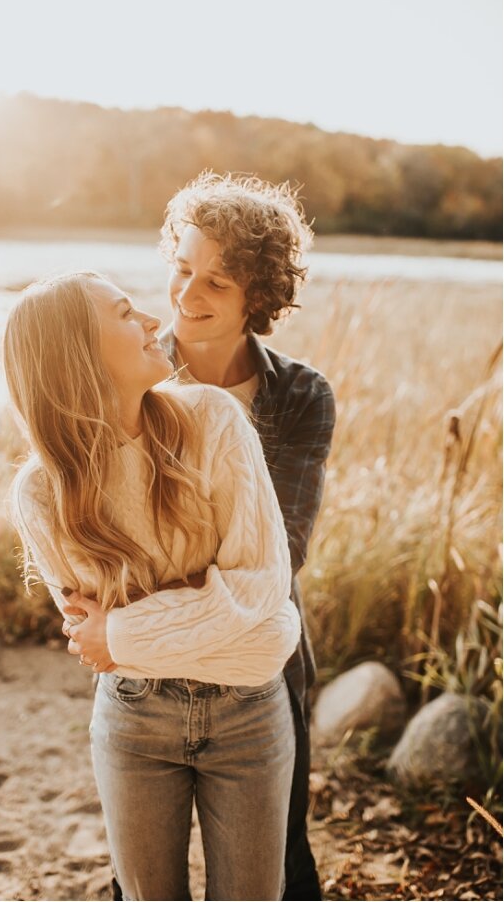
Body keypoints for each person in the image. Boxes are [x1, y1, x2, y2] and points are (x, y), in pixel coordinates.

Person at [4, 271, 302, 900]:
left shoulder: (215, 421)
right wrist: (204, 606)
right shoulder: (41, 492)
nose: (150, 321)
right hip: (134, 719)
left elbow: (265, 602)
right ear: (78, 352)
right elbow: (92, 639)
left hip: (250, 714)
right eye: (123, 313)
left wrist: (127, 628)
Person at [150, 171, 331, 900]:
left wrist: (165, 569)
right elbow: (105, 539)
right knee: (142, 873)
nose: (188, 296)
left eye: (217, 283)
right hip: (144, 666)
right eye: (183, 270)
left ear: (258, 298)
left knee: (282, 862)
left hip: (266, 666)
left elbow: (280, 556)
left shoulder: (299, 396)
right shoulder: (123, 373)